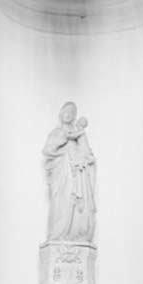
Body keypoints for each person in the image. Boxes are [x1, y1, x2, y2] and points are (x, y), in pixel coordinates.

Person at [42, 102, 96, 243]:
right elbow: (47, 151)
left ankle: (76, 234)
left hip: (76, 174)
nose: (69, 114)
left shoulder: (79, 134)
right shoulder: (56, 133)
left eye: (72, 112)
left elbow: (87, 153)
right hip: (61, 173)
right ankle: (57, 233)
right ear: (61, 114)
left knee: (75, 204)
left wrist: (81, 148)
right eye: (66, 111)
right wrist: (65, 138)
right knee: (61, 202)